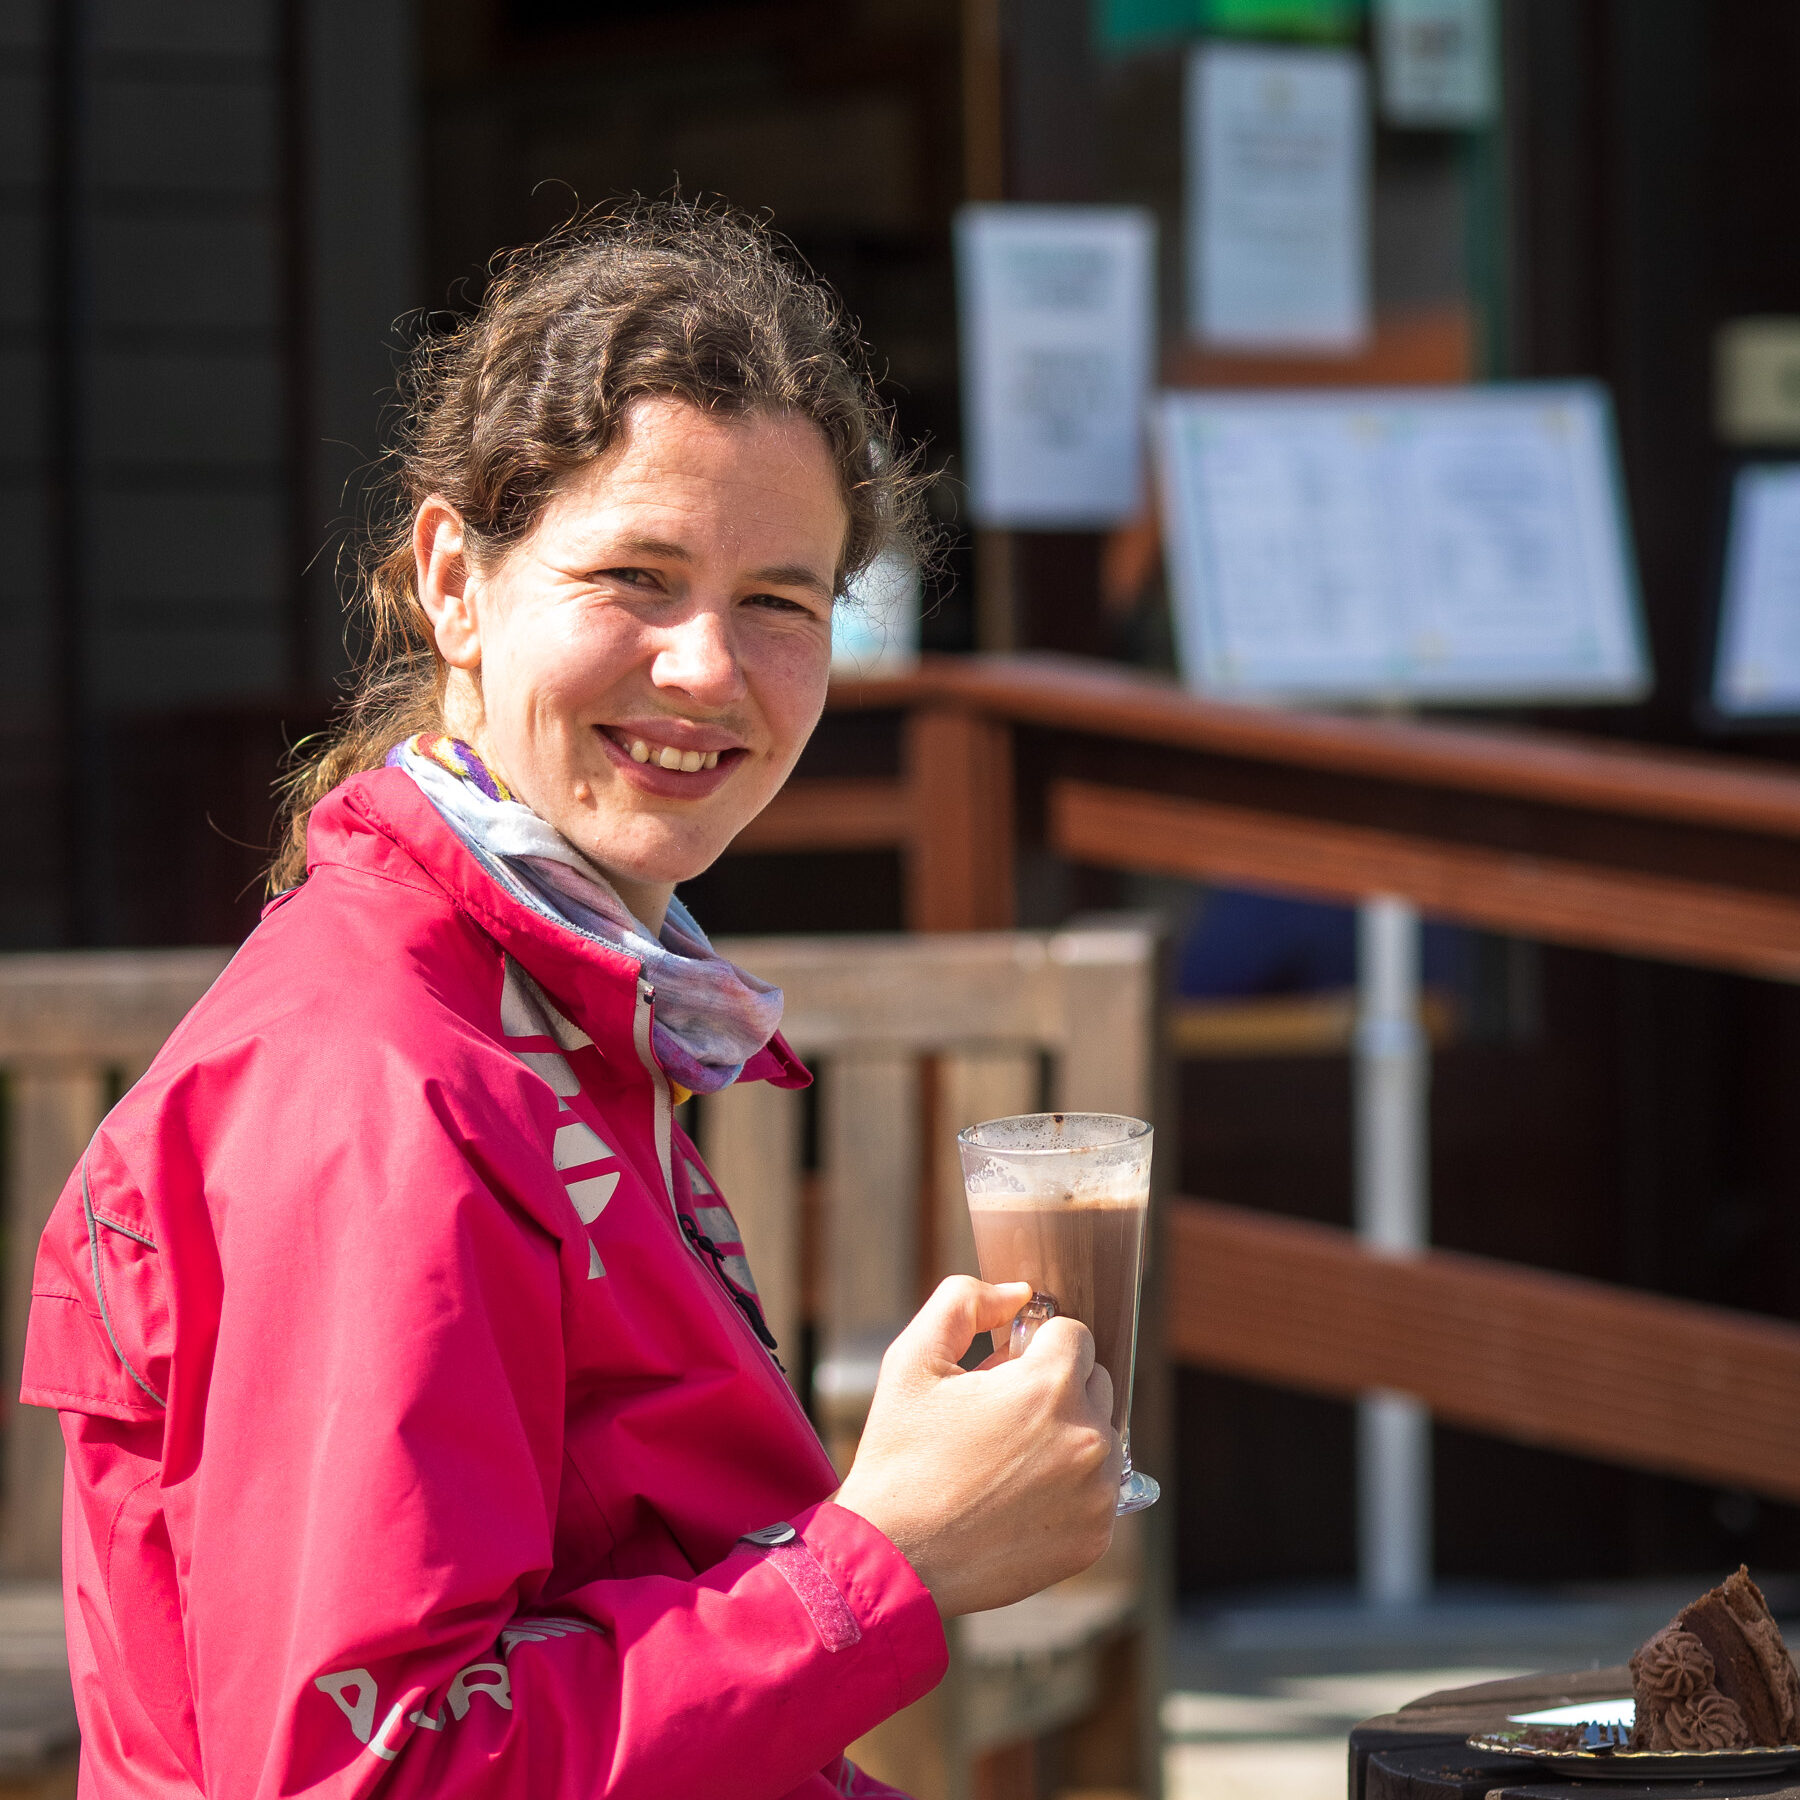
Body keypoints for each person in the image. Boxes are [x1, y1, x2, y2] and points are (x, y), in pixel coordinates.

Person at [21, 203, 1121, 1798]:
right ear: (453, 583)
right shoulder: (379, 1084)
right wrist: (887, 1554)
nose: (705, 669)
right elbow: (376, 1773)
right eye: (637, 575)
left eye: (781, 602)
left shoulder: (549, 1009)